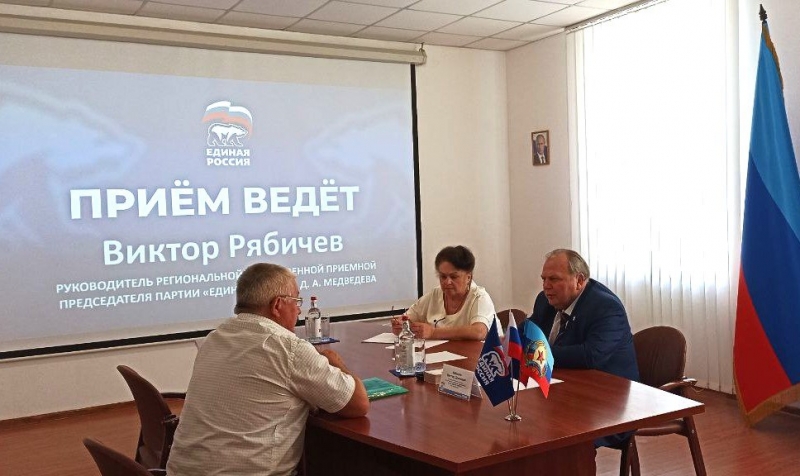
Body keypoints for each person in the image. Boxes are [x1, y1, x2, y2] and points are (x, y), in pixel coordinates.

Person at [167, 263, 369, 476]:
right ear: (277, 305)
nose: (299, 310)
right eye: (296, 301)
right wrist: (335, 362)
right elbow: (358, 404)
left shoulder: (214, 338)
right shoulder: (288, 348)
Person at [528, 249, 638, 448]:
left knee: (557, 436)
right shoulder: (545, 300)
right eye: (544, 279)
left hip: (609, 402)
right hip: (565, 391)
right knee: (525, 424)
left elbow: (590, 355)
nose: (546, 286)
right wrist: (511, 339)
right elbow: (530, 330)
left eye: (554, 279)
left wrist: (536, 352)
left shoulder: (606, 307)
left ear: (579, 280)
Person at [392, 245, 501, 340]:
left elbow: (479, 332)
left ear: (468, 277)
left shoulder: (479, 297)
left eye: (454, 277)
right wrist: (402, 325)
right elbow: (409, 317)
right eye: (443, 277)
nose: (447, 282)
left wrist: (433, 332)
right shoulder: (435, 294)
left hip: (485, 356)